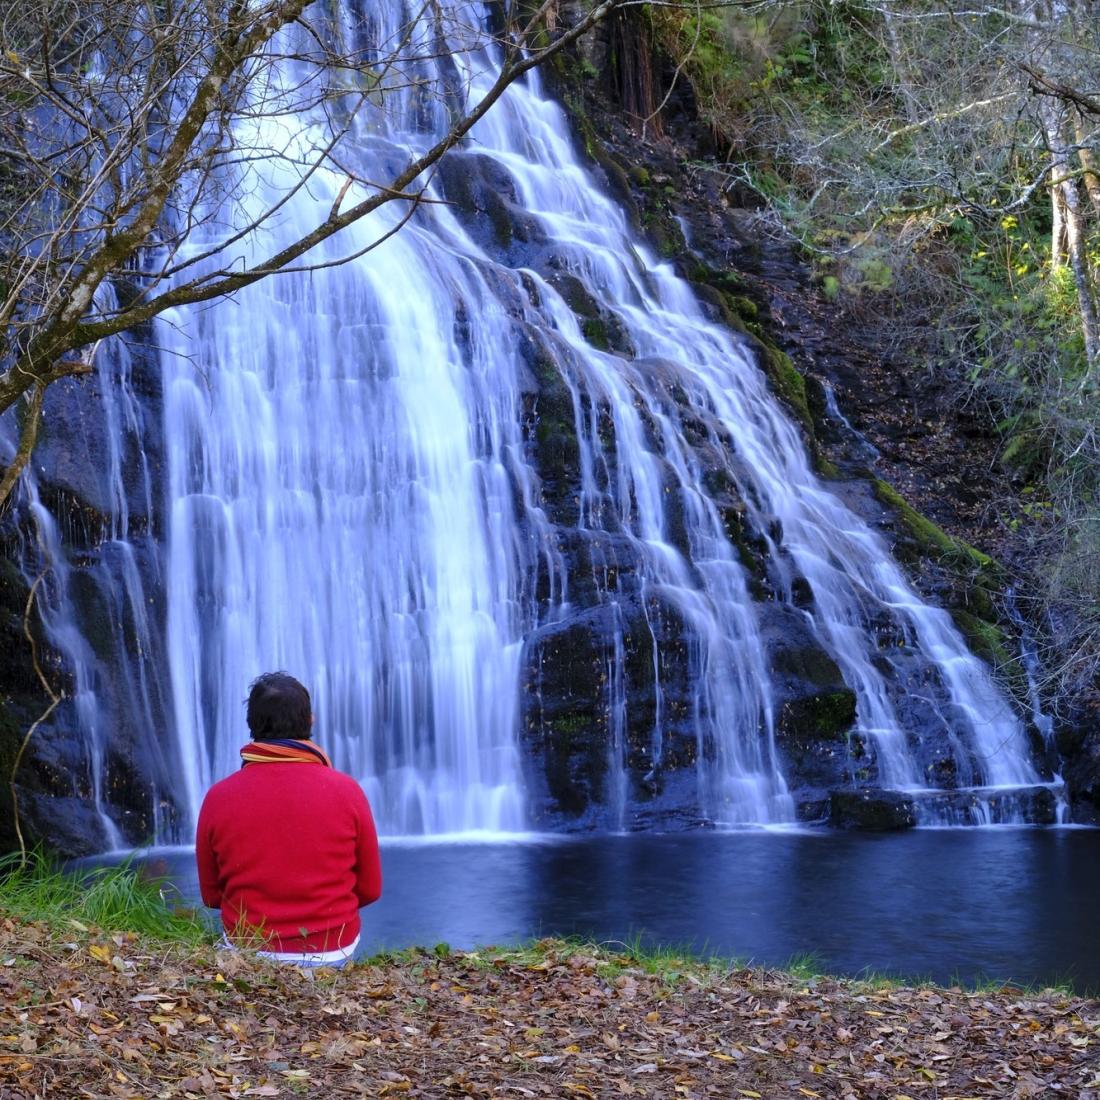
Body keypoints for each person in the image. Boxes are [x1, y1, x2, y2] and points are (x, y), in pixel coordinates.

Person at [195, 672, 382, 967]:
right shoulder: (348, 791)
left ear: (250, 726)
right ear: (311, 721)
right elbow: (370, 889)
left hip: (250, 949)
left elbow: (211, 896)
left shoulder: (218, 797)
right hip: (334, 948)